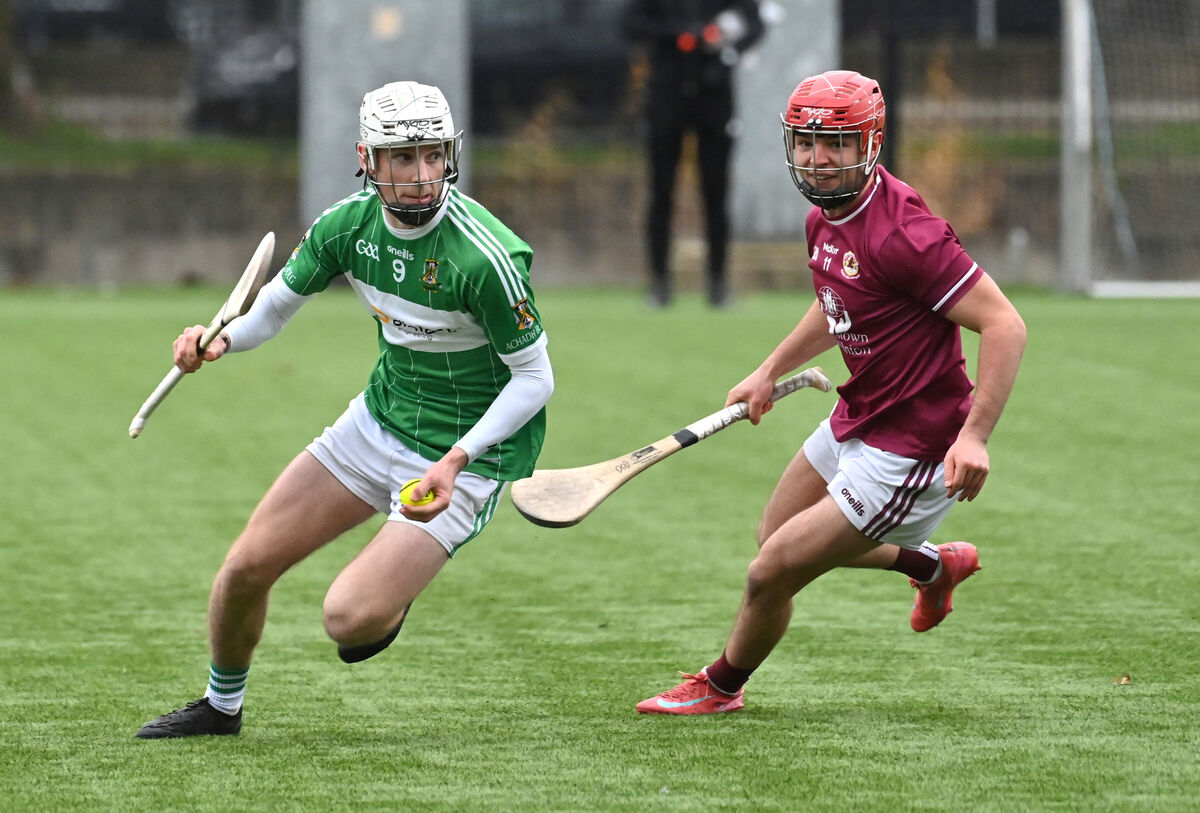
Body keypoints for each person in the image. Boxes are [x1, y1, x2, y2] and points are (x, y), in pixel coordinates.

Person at [136, 81, 553, 738]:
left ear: (452, 156)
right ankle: (221, 707)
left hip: (466, 456)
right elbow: (271, 308)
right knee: (245, 567)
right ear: (368, 158)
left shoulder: (488, 258)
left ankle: (394, 586)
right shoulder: (346, 226)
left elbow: (535, 380)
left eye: (433, 156)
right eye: (403, 158)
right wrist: (218, 340)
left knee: (347, 619)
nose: (421, 176)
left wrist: (455, 461)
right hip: (378, 421)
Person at [635, 70, 1027, 714]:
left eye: (837, 144)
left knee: (770, 574)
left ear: (870, 144)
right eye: (807, 143)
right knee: (774, 536)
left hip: (914, 445)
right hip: (860, 414)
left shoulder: (905, 232)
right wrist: (768, 369)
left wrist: (975, 435)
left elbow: (1004, 324)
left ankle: (721, 686)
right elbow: (837, 303)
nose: (818, 160)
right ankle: (930, 566)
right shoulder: (826, 218)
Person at [620, 0, 765, 308]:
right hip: (666, 92)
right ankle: (659, 283)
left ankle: (718, 283)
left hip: (714, 92)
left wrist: (723, 42)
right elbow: (631, 25)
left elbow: (754, 25)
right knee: (661, 191)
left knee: (716, 190)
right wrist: (680, 35)